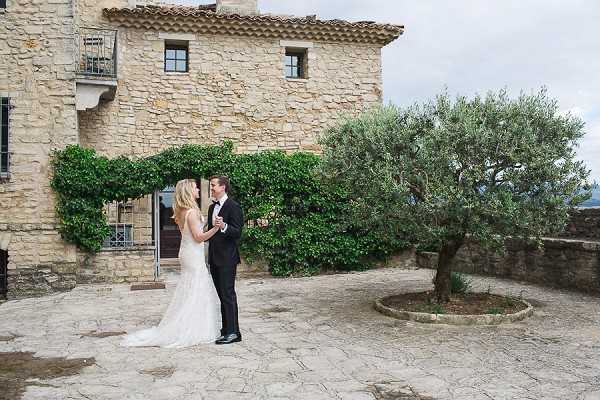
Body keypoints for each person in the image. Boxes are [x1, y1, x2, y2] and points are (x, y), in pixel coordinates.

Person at [121, 179, 221, 348]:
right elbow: (198, 238)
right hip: (193, 254)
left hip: (186, 252)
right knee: (196, 288)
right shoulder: (192, 212)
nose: (198, 189)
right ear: (189, 192)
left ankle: (191, 323)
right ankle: (192, 327)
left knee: (190, 288)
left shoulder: (182, 211)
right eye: (196, 188)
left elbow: (191, 234)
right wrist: (215, 229)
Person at [207, 175, 244, 345]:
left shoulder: (233, 206)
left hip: (228, 259)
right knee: (222, 295)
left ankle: (234, 333)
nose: (211, 188)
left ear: (223, 187)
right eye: (211, 185)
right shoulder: (210, 208)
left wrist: (224, 226)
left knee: (228, 295)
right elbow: (209, 233)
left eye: (213, 185)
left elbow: (237, 232)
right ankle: (226, 329)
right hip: (214, 258)